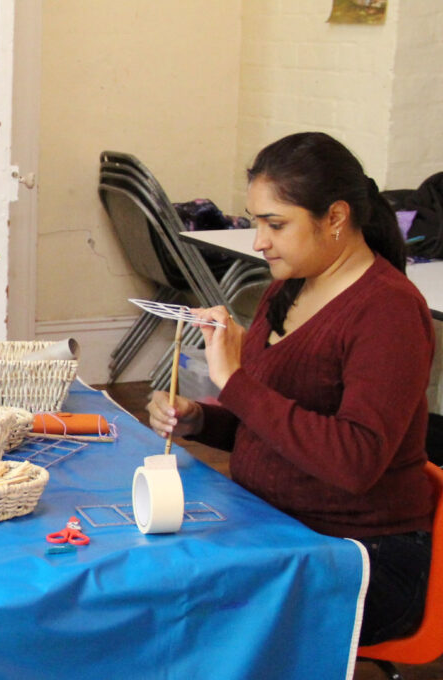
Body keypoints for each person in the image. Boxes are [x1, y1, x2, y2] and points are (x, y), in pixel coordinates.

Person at [146, 132, 435, 646]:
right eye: (257, 221)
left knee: (185, 616)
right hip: (274, 525)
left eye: (275, 224)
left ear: (336, 218)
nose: (259, 241)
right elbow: (273, 423)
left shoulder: (388, 310)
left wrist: (234, 382)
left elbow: (353, 461)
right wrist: (202, 418)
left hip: (360, 553)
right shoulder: (288, 285)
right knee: (145, 581)